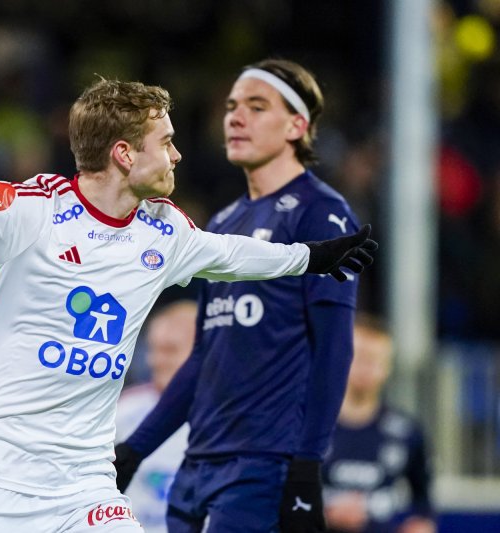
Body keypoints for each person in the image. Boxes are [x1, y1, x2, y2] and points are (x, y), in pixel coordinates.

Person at [0, 74, 376, 532]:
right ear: (123, 153)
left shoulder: (164, 234)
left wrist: (312, 258)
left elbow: (234, 254)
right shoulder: (30, 215)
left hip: (85, 485)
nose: (177, 156)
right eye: (165, 143)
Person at [114, 58, 368, 533]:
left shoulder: (321, 214)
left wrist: (307, 463)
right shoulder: (225, 222)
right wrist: (136, 448)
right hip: (199, 461)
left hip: (265, 464)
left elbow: (335, 346)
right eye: (232, 107)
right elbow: (205, 355)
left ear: (298, 125)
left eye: (256, 106)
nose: (236, 117)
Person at [322, 315, 435, 533]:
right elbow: (279, 496)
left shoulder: (406, 432)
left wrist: (421, 524)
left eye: (376, 360)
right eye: (360, 357)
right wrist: (325, 515)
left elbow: (424, 500)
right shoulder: (306, 427)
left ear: (388, 367)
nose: (367, 368)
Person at [116, 300, 197, 533]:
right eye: (153, 349)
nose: (155, 361)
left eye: (169, 350)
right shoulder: (121, 410)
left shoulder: (228, 416)